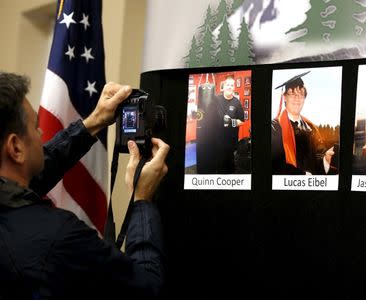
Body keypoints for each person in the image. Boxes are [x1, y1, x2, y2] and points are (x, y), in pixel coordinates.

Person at [0, 72, 169, 299]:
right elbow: (147, 289)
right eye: (35, 126)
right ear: (16, 148)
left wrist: (92, 123)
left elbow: (32, 177)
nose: (41, 133)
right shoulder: (60, 236)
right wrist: (142, 200)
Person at [271, 72, 337, 175]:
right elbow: (275, 164)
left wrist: (326, 160)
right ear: (284, 97)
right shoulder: (274, 128)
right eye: (292, 93)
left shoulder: (311, 128)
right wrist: (301, 176)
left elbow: (318, 158)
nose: (297, 98)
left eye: (301, 94)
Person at [205, 76, 245, 174]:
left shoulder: (237, 102)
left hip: (231, 140)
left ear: (234, 87)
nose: (229, 87)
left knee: (230, 165)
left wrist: (231, 122)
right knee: (219, 165)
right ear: (223, 86)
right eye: (228, 85)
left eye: (232, 85)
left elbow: (242, 121)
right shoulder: (216, 100)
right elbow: (208, 114)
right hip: (217, 140)